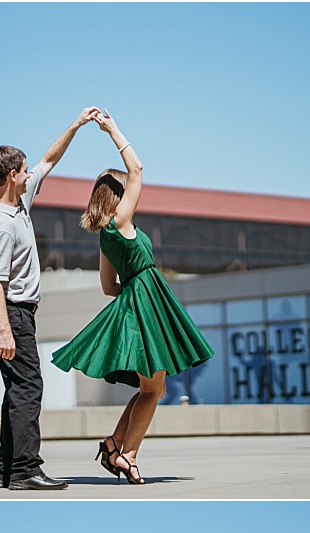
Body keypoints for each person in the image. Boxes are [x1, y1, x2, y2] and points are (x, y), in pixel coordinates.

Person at [51, 110, 215, 485]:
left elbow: (109, 287)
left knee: (152, 387)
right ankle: (127, 453)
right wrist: (112, 130)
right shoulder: (122, 223)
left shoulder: (105, 235)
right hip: (145, 302)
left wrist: (135, 293)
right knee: (155, 388)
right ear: (119, 195)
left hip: (136, 302)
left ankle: (116, 445)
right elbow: (138, 168)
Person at [0, 107, 101, 491]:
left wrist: (76, 125)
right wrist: (5, 330)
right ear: (12, 175)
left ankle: (6, 470)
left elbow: (50, 159)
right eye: (24, 167)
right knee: (29, 388)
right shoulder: (2, 223)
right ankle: (25, 469)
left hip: (19, 315)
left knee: (18, 390)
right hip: (11, 314)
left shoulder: (20, 203)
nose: (31, 170)